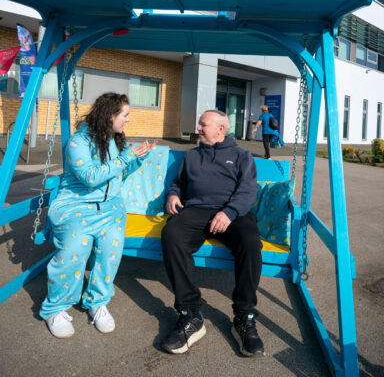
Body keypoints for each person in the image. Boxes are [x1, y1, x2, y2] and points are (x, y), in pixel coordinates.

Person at [40, 92, 156, 338]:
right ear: (110, 115)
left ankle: (97, 302)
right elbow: (92, 178)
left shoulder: (113, 140)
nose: (127, 120)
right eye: (125, 115)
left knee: (109, 255)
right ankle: (55, 308)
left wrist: (136, 160)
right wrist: (126, 158)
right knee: (73, 252)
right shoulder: (78, 142)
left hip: (110, 208)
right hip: (76, 207)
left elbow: (117, 175)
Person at [161, 110, 264, 357]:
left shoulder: (242, 155)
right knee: (172, 235)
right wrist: (173, 194)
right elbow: (179, 183)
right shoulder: (192, 156)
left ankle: (244, 316)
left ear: (220, 129)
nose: (198, 128)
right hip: (196, 210)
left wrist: (228, 212)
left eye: (203, 124)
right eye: (199, 123)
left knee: (251, 243)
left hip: (232, 213)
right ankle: (190, 313)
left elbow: (248, 191)